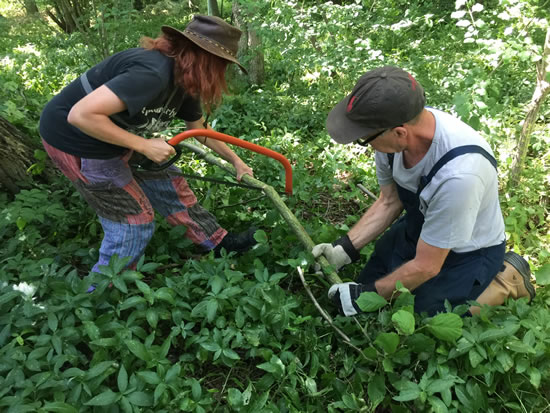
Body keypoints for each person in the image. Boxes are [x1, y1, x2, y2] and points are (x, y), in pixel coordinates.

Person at [39, 15, 258, 279]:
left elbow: (199, 130)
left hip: (115, 135)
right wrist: (142, 145)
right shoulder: (151, 73)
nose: (222, 73)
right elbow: (80, 116)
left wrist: (236, 161)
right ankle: (98, 292)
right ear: (206, 59)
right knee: (133, 222)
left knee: (171, 183)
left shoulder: (185, 80)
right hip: (77, 141)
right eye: (222, 65)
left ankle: (217, 243)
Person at [312, 66, 535, 316]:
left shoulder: (460, 175)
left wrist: (364, 297)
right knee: (375, 281)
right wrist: (344, 249)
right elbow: (389, 201)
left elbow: (427, 266)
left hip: (468, 252)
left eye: (364, 139)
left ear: (399, 133)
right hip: (422, 229)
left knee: (426, 315)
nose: (364, 144)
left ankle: (506, 280)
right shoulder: (394, 136)